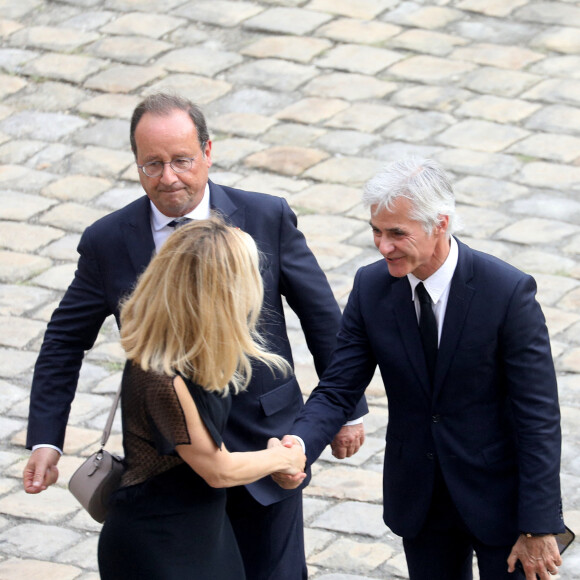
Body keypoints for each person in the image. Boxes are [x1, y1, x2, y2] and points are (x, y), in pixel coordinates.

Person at [23, 92, 367, 580]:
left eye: (182, 160)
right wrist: (46, 440)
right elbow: (63, 340)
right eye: (152, 165)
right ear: (136, 164)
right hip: (171, 471)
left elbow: (321, 316)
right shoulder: (107, 240)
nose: (169, 178)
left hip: (262, 444)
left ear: (208, 151)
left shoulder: (265, 216)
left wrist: (344, 410)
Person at [276, 157, 565, 580]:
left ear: (440, 224)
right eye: (376, 231)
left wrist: (540, 524)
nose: (383, 245)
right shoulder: (371, 287)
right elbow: (338, 388)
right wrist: (298, 446)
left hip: (501, 502)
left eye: (397, 234)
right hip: (421, 500)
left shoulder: (506, 293)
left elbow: (538, 415)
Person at [98, 217, 306, 579]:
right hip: (159, 545)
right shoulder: (160, 376)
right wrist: (282, 458)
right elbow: (218, 470)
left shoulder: (193, 351)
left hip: (202, 533)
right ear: (220, 295)